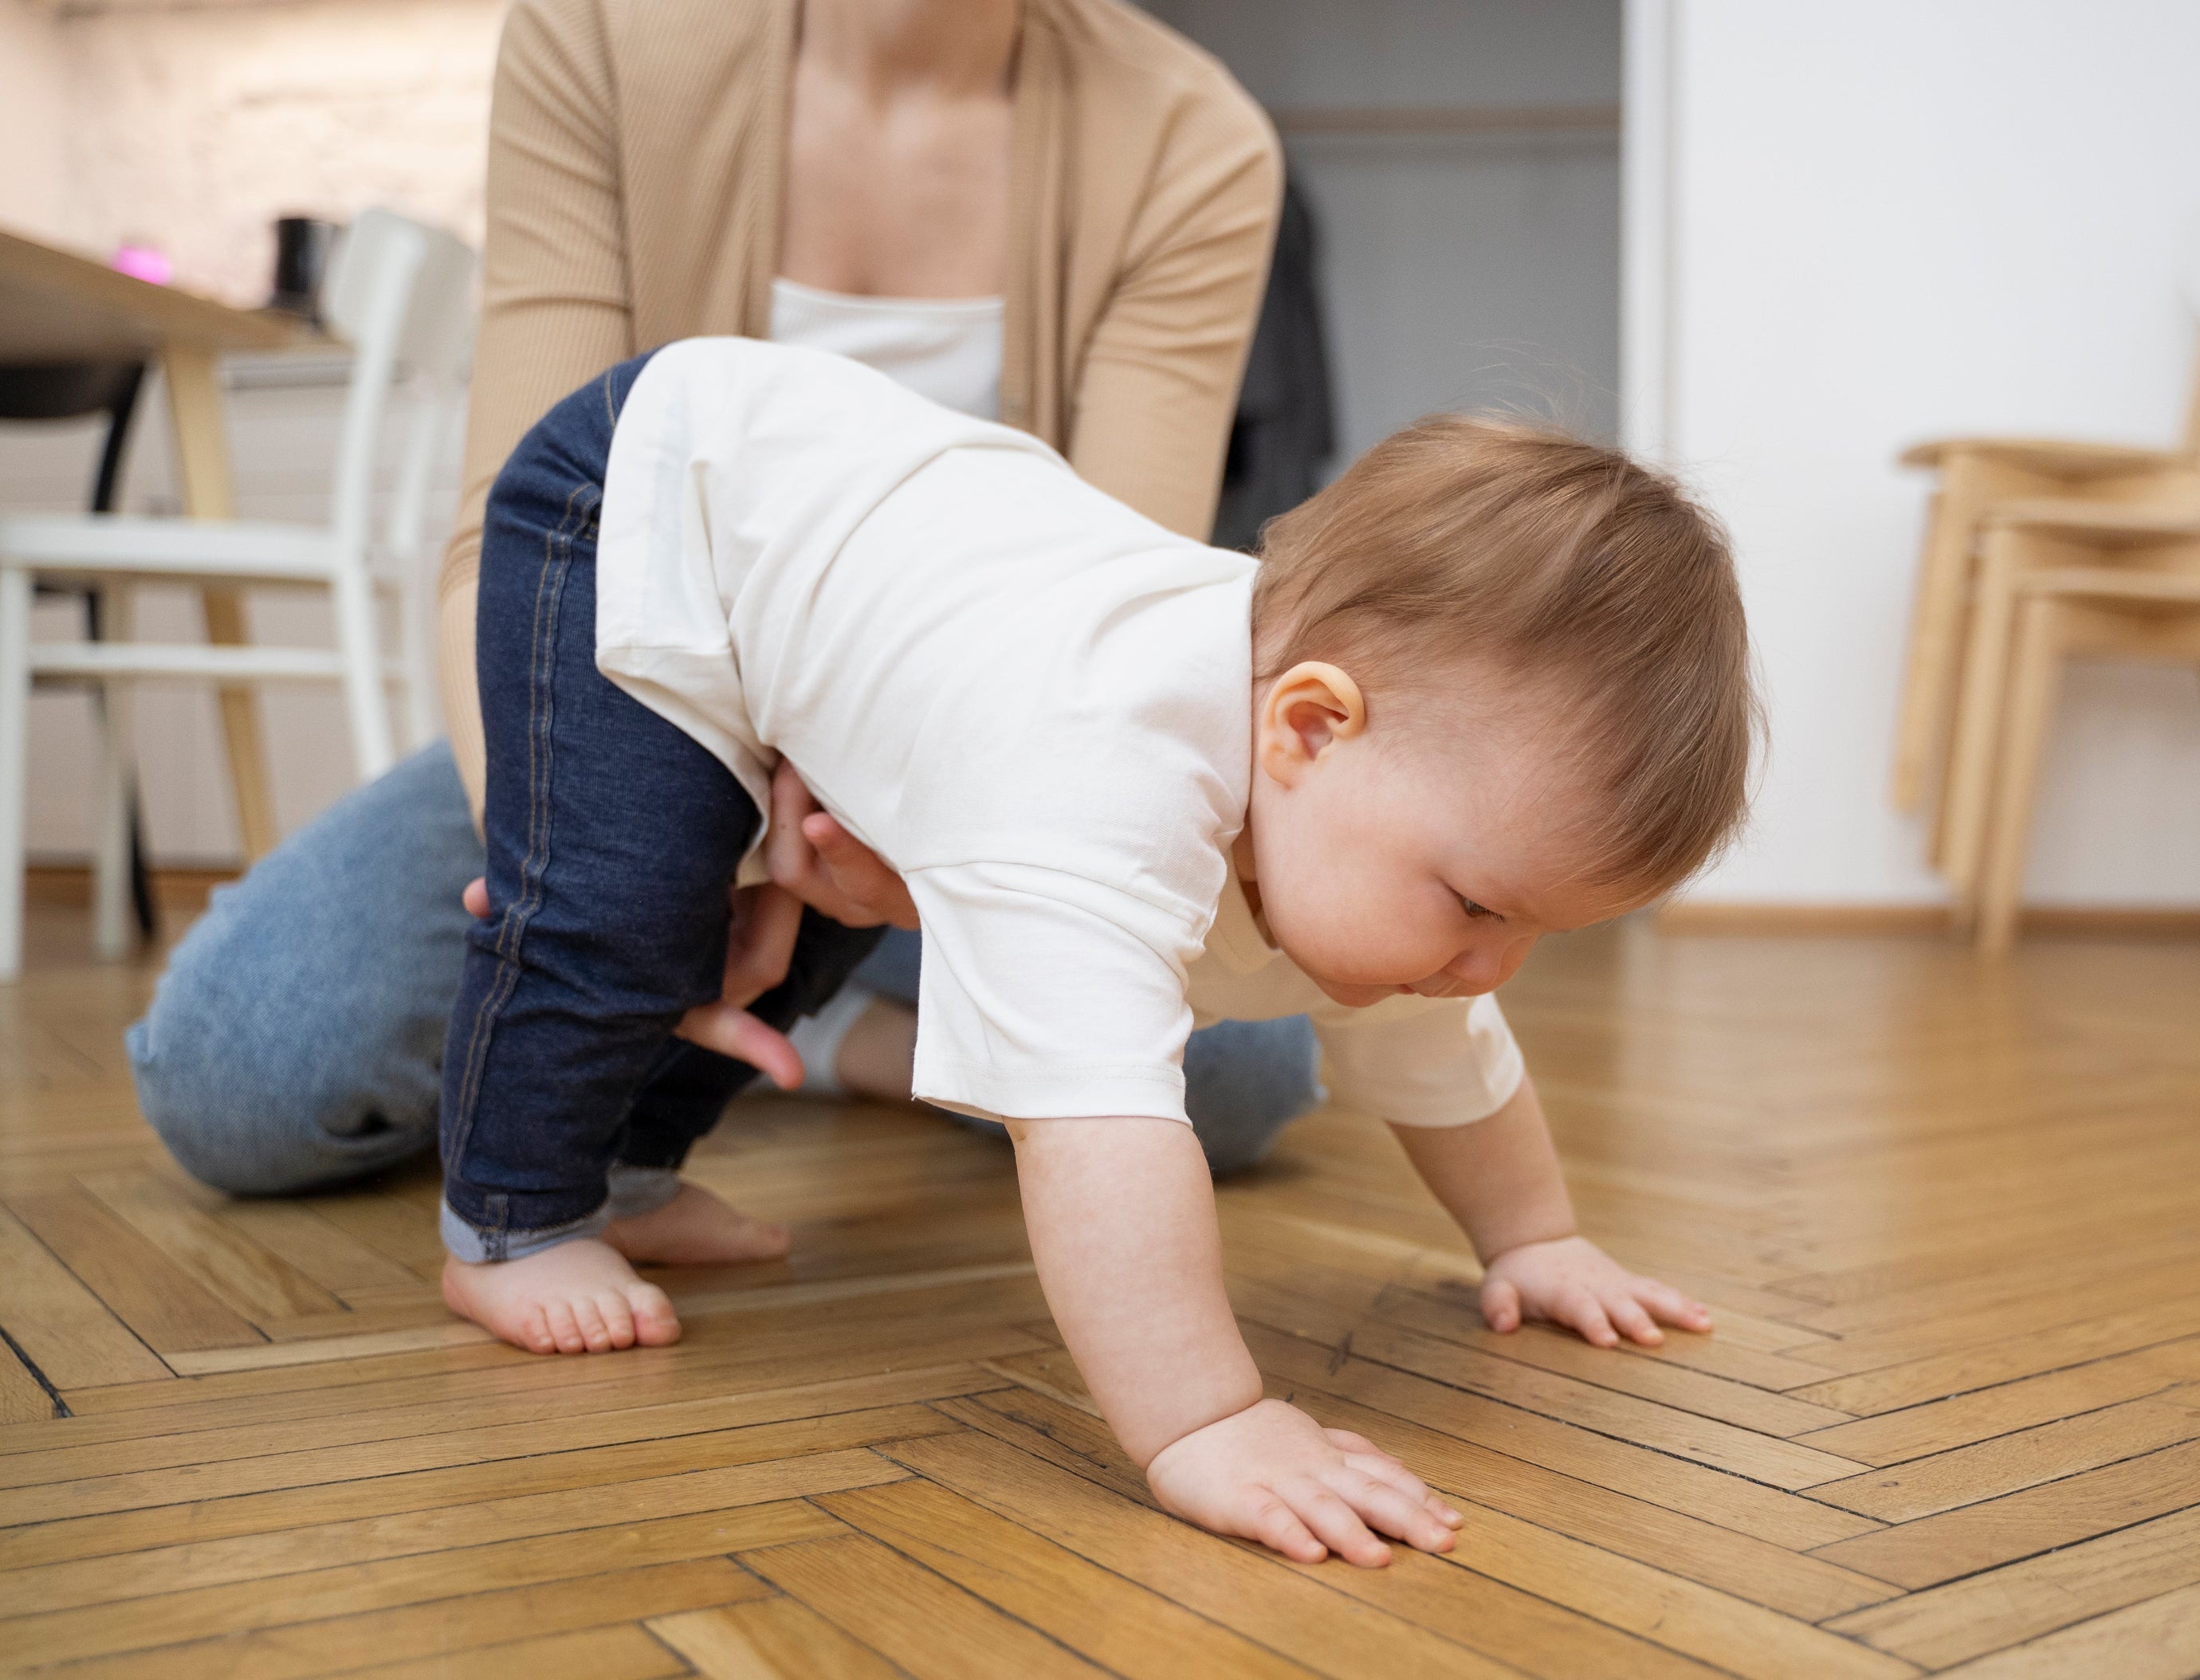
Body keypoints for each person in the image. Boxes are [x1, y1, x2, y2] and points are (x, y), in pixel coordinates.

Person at [435, 337, 1757, 1568]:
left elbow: (1444, 1050)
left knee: (823, 912)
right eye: (1480, 906)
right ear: (1304, 730)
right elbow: (1091, 1131)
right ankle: (510, 1222)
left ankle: (630, 1171)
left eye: (1535, 929)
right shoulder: (1096, 783)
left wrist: (1532, 1237)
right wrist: (1206, 1420)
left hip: (870, 573)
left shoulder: (1363, 802)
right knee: (624, 910)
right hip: (658, 494)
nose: (1490, 967)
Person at [123, 0, 1324, 1192]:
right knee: (242, 1072)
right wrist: (591, 895)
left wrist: (830, 856)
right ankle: (804, 1021)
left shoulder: (1190, 138)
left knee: (1234, 1077)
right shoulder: (598, 36)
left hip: (959, 784)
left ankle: (806, 1018)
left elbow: (1094, 634)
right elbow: (502, 538)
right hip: (612, 714)